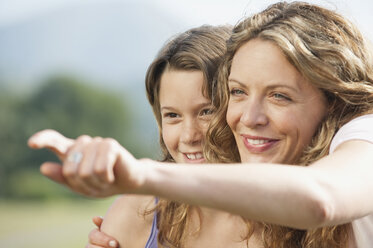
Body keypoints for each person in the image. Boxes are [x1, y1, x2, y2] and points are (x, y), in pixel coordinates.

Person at [29, 2, 373, 247]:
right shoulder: (142, 210)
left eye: (279, 96)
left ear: (336, 100)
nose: (249, 118)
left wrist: (142, 174)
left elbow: (318, 198)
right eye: (238, 92)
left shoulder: (362, 137)